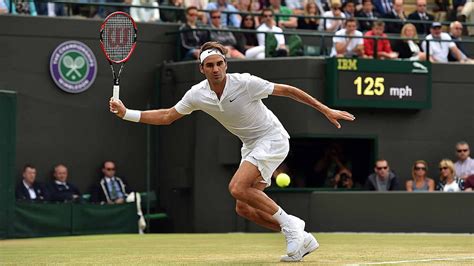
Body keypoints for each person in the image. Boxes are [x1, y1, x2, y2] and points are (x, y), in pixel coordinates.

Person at [109, 41, 356, 261]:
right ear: (202, 69)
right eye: (210, 65)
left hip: (272, 138)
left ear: (225, 64)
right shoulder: (197, 94)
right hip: (250, 145)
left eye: (219, 63)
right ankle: (302, 239)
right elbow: (167, 116)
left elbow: (289, 91)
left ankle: (292, 225)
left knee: (237, 187)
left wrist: (325, 110)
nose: (215, 69)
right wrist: (126, 113)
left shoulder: (246, 83)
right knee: (243, 207)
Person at [90, 160, 147, 233]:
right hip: (111, 205)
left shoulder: (120, 180)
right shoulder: (98, 184)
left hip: (125, 203)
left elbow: (129, 191)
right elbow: (94, 200)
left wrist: (123, 198)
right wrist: (109, 203)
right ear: (103, 170)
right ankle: (140, 223)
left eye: (113, 169)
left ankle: (139, 219)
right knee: (135, 212)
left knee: (136, 195)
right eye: (108, 169)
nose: (111, 171)